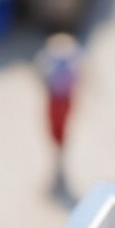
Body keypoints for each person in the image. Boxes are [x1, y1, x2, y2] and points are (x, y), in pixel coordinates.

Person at [41, 33, 81, 193]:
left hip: (60, 100)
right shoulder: (63, 62)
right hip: (58, 100)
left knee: (59, 131)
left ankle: (59, 155)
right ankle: (58, 155)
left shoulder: (59, 62)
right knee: (57, 131)